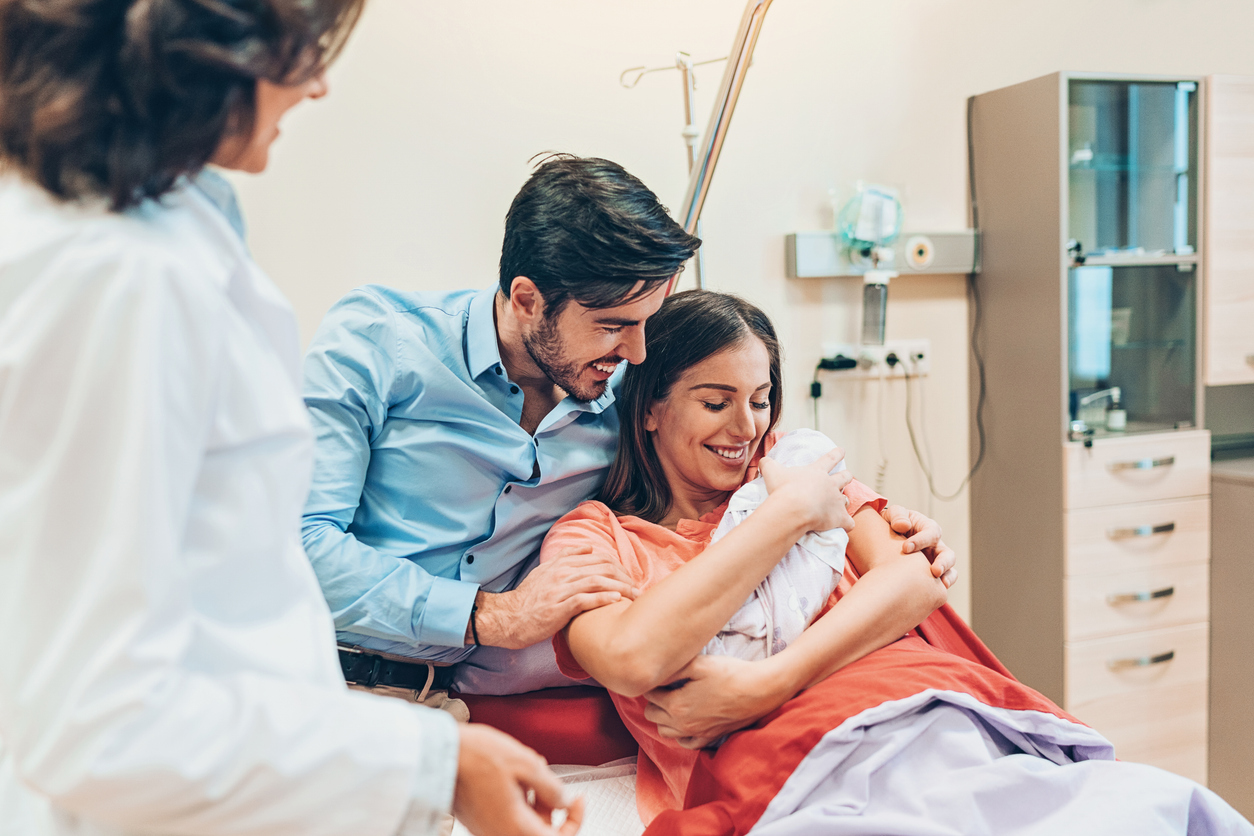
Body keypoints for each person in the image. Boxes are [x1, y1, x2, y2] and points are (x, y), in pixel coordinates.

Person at [0, 2, 577, 835]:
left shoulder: (166, 225)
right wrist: (430, 760)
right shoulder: (117, 278)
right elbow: (98, 719)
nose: (318, 84)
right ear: (195, 49)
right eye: (300, 51)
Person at [542, 291, 1252, 834]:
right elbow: (632, 659)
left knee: (1155, 811)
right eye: (715, 401)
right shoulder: (596, 538)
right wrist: (792, 514)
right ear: (649, 409)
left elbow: (914, 579)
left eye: (761, 400)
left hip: (926, 720)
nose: (747, 427)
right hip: (796, 776)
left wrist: (765, 683)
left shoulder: (795, 470)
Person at [300, 155, 956, 708]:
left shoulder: (629, 394)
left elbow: (749, 448)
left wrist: (878, 514)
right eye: (615, 324)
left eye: (648, 320)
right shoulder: (382, 342)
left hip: (493, 706)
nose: (638, 351)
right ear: (527, 299)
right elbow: (297, 546)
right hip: (342, 683)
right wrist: (490, 615)